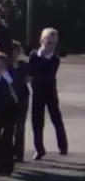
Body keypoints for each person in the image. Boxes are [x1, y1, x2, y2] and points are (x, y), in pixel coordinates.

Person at [29, 27, 68, 160]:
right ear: (41, 41)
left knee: (56, 118)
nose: (51, 46)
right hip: (37, 92)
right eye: (49, 42)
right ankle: (39, 149)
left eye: (54, 43)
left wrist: (37, 71)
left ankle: (63, 146)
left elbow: (45, 72)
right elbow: (33, 72)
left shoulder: (55, 59)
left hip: (50, 92)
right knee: (37, 121)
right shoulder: (34, 56)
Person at [10, 41, 30, 162]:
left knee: (19, 126)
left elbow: (28, 79)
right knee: (8, 126)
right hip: (8, 99)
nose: (14, 54)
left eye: (16, 51)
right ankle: (7, 151)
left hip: (22, 98)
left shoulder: (23, 65)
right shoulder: (5, 65)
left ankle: (18, 153)